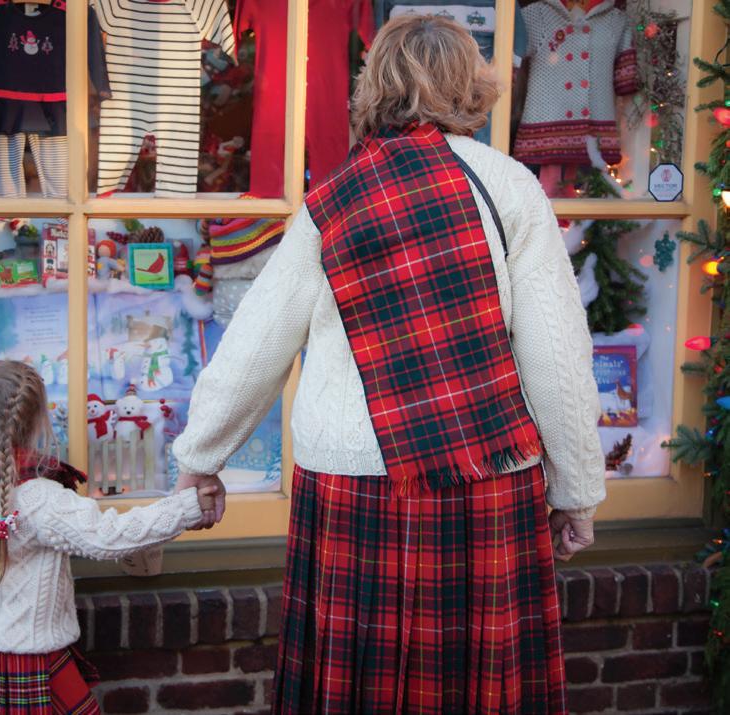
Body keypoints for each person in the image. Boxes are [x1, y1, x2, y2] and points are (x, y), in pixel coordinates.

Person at [173, 15, 605, 714]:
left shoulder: (333, 198)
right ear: (471, 84)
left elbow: (256, 339)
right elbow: (556, 356)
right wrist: (576, 489)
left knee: (355, 687)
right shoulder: (509, 187)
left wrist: (201, 456)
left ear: (374, 84)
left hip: (351, 485)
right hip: (482, 479)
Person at [0, 360, 215, 714]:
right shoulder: (37, 497)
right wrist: (185, 508)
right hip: (27, 659)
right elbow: (107, 537)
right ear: (36, 420)